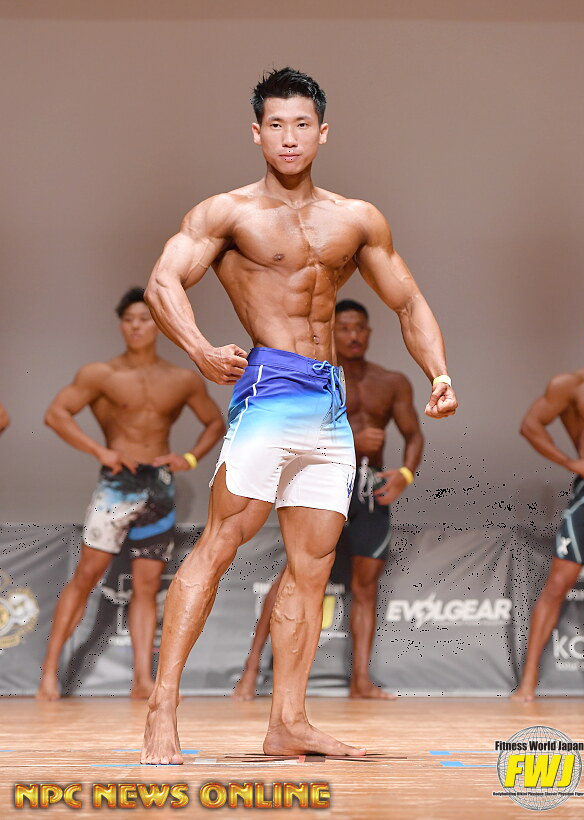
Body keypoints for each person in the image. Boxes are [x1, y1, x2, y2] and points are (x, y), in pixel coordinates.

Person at [141, 67, 457, 763]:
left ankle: (288, 721)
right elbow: (164, 280)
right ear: (257, 134)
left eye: (302, 124)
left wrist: (438, 371)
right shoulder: (227, 214)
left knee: (311, 568)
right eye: (276, 125)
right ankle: (163, 707)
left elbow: (407, 301)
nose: (289, 137)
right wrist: (199, 349)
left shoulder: (357, 218)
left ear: (323, 132)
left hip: (328, 404)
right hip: (271, 390)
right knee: (221, 542)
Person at [36, 287, 225, 701]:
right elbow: (56, 414)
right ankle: (49, 674)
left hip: (159, 486)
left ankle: (142, 679)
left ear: (158, 325)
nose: (137, 326)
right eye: (129, 319)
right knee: (87, 576)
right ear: (121, 325)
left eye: (145, 318)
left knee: (147, 585)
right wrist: (100, 450)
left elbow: (215, 421)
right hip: (117, 485)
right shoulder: (101, 374)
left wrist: (190, 458)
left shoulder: (181, 379)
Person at [232, 298, 424, 701]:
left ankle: (360, 681)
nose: (353, 336)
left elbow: (414, 435)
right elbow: (295, 432)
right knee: (294, 575)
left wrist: (405, 473)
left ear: (368, 333)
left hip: (369, 491)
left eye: (359, 328)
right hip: (323, 482)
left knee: (365, 587)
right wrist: (353, 438)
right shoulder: (315, 379)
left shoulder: (392, 382)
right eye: (345, 328)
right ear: (332, 332)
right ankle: (249, 673)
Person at [512, 302, 584, 701]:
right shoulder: (573, 384)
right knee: (557, 584)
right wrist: (570, 462)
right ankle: (527, 683)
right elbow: (531, 425)